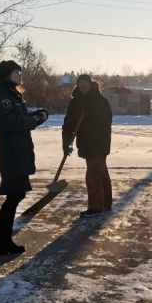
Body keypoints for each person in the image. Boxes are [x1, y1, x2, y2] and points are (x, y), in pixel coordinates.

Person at [0, 60, 48, 255]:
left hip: (17, 149)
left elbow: (17, 116)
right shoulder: (3, 95)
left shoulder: (11, 93)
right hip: (11, 151)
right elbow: (8, 122)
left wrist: (35, 116)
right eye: (16, 72)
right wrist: (33, 121)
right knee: (15, 194)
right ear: (6, 75)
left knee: (16, 194)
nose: (19, 75)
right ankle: (3, 241)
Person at [62, 74, 113, 217]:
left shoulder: (99, 100)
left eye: (85, 82)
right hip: (85, 143)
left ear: (91, 84)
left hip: (98, 142)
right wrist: (66, 143)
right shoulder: (75, 102)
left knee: (92, 175)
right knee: (100, 172)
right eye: (80, 82)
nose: (83, 85)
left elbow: (106, 121)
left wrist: (91, 119)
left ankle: (96, 207)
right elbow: (68, 124)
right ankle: (106, 203)